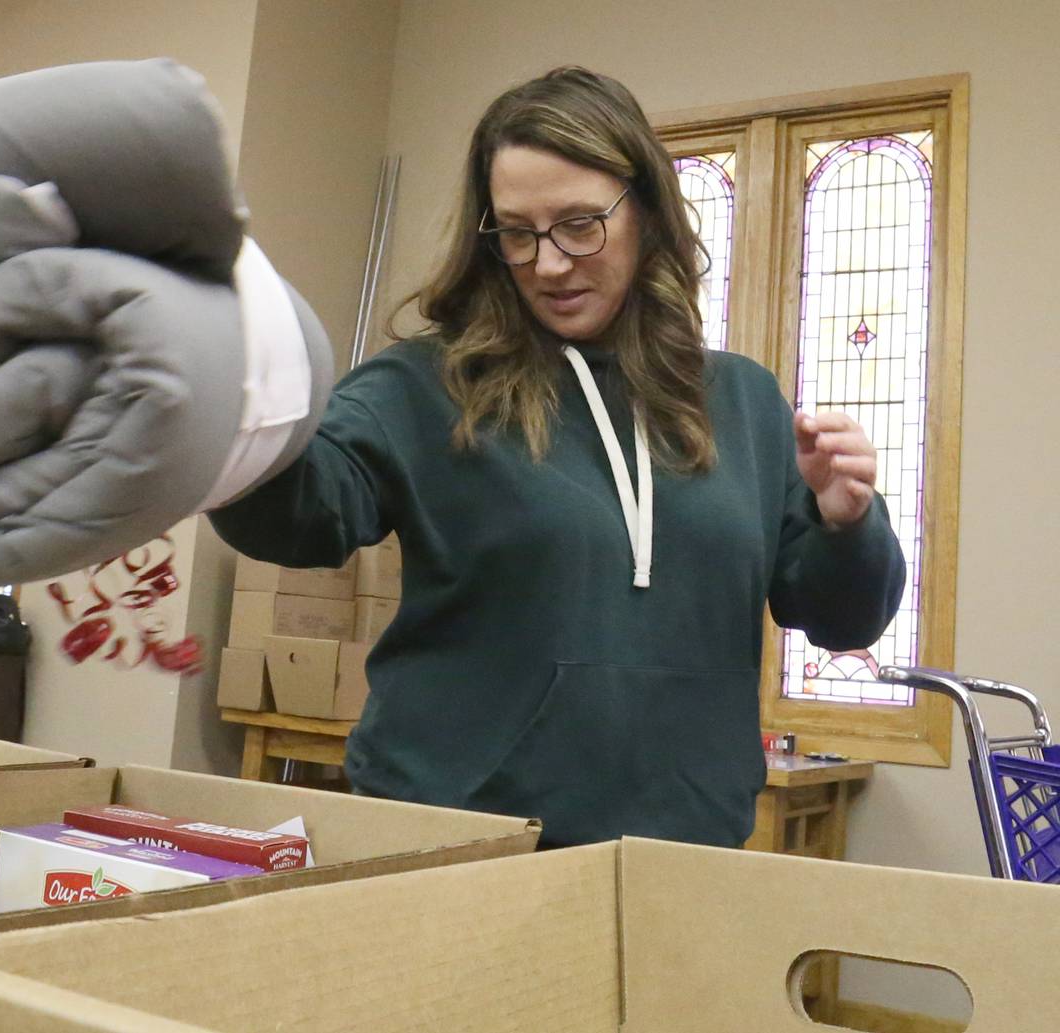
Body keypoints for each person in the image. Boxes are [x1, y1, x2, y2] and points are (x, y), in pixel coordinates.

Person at [209, 66, 906, 849]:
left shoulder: (741, 402)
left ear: (645, 211)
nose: (547, 263)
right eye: (517, 232)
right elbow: (300, 517)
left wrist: (848, 520)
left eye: (580, 225)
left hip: (683, 853)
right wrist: (224, 414)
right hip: (460, 846)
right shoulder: (426, 387)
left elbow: (843, 618)